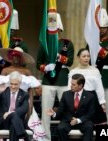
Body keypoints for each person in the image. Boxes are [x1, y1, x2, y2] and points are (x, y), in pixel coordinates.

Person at [0, 47, 45, 141]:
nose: (16, 59)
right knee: (15, 118)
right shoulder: (5, 70)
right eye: (14, 56)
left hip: (20, 109)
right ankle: (24, 135)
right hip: (5, 117)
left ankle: (21, 133)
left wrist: (28, 112)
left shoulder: (27, 72)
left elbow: (30, 94)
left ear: (22, 58)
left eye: (18, 56)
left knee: (15, 120)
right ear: (10, 57)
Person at [36, 13, 74, 141]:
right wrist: (45, 68)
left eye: (55, 29)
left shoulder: (67, 44)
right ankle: (45, 138)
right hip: (48, 81)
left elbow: (70, 62)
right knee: (46, 111)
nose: (53, 31)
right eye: (51, 29)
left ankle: (67, 135)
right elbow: (38, 63)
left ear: (59, 29)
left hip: (63, 79)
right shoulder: (44, 44)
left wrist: (59, 57)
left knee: (67, 110)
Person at [47, 73, 96, 141]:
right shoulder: (66, 94)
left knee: (89, 127)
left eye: (73, 84)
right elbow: (61, 110)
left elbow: (91, 113)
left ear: (80, 85)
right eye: (71, 84)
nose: (71, 86)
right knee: (60, 128)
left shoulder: (90, 96)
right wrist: (54, 114)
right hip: (68, 120)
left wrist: (78, 120)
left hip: (83, 121)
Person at [68, 48, 106, 125]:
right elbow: (70, 88)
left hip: (93, 98)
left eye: (88, 56)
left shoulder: (95, 71)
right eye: (84, 56)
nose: (86, 58)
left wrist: (102, 102)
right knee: (83, 124)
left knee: (99, 123)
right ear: (78, 58)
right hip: (78, 99)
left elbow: (99, 88)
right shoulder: (73, 71)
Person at [0, 9, 28, 79]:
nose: (11, 32)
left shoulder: (20, 43)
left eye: (12, 30)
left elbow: (24, 63)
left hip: (16, 77)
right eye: (9, 30)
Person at [0, 71, 30, 141]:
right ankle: (24, 135)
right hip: (4, 121)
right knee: (14, 118)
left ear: (20, 84)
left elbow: (24, 109)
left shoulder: (24, 94)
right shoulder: (4, 91)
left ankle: (23, 134)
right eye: (11, 84)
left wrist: (10, 113)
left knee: (13, 124)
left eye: (16, 84)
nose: (13, 86)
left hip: (16, 121)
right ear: (9, 83)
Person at [95, 8, 108, 125]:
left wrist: (99, 49)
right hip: (93, 78)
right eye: (100, 27)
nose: (101, 29)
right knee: (95, 111)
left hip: (107, 79)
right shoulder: (92, 42)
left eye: (104, 27)